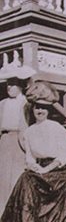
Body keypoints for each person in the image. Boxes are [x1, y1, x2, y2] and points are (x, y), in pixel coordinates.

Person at [0, 95, 66, 222]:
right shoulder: (30, 132)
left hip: (58, 172)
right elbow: (30, 157)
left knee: (27, 181)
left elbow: (64, 155)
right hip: (40, 170)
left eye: (43, 108)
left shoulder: (56, 128)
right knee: (26, 178)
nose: (39, 110)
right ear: (33, 109)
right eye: (37, 107)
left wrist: (45, 169)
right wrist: (34, 167)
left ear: (48, 111)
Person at [0, 77, 28, 208]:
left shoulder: (26, 103)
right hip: (5, 140)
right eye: (8, 84)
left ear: (20, 86)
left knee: (17, 177)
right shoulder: (3, 103)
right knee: (3, 178)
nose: (9, 87)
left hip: (19, 141)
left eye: (13, 84)